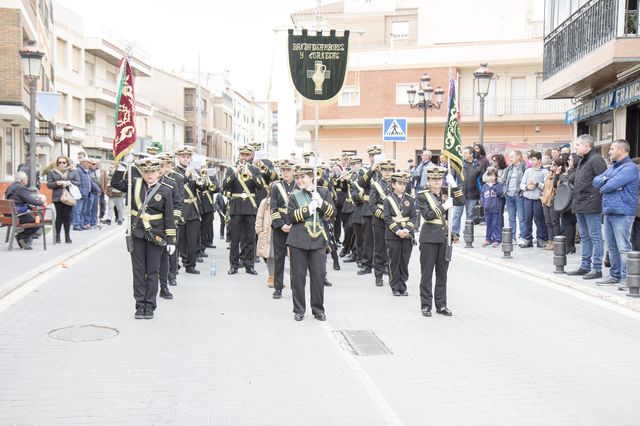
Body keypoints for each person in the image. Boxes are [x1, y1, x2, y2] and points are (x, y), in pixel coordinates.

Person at [111, 157, 176, 320]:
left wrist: (171, 240)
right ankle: (140, 306)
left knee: (153, 271)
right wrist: (123, 166)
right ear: (142, 172)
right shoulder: (135, 185)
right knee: (139, 271)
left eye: (153, 171)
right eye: (146, 172)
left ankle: (150, 305)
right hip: (138, 233)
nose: (149, 175)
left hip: (156, 235)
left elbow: (169, 217)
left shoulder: (166, 189)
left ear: (158, 172)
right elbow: (116, 184)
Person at [286, 164, 335, 321]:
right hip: (298, 241)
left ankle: (318, 309)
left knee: (318, 276)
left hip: (318, 240)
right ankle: (299, 309)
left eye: (303, 177)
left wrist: (321, 204)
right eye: (298, 178)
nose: (299, 180)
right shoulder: (294, 196)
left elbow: (332, 214)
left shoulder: (324, 192)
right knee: (298, 278)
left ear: (311, 177)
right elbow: (291, 217)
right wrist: (308, 209)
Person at [416, 166, 465, 317]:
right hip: (429, 238)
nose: (437, 181)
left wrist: (455, 185)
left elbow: (461, 201)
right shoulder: (422, 196)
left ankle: (441, 305)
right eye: (433, 179)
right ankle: (426, 305)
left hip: (444, 238)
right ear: (429, 180)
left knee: (442, 274)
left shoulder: (447, 191)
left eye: (439, 179)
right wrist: (444, 206)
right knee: (427, 274)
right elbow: (429, 215)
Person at [592, 140, 639, 288]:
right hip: (609, 211)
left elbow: (606, 187)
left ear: (621, 150)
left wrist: (607, 182)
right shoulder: (613, 167)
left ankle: (627, 278)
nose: (609, 151)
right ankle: (615, 275)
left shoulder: (630, 168)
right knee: (611, 247)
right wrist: (607, 181)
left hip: (623, 212)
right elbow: (596, 181)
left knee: (623, 247)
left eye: (612, 149)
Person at [567, 134, 608, 280]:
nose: (575, 147)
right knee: (585, 236)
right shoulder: (583, 160)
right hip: (580, 203)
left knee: (595, 236)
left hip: (591, 204)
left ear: (587, 146)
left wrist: (594, 198)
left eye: (578, 145)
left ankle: (596, 268)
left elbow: (604, 181)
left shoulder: (596, 160)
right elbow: (575, 180)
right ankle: (585, 266)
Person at [223, 145, 263, 275]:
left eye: (247, 155)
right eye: (242, 155)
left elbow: (260, 186)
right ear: (239, 155)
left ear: (251, 156)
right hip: (236, 207)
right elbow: (225, 185)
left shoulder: (255, 170)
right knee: (235, 239)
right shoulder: (231, 169)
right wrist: (235, 173)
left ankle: (249, 265)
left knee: (250, 239)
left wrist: (251, 175)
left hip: (250, 207)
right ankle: (234, 265)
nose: (244, 157)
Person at [383, 172, 416, 297]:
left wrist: (406, 230)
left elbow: (414, 217)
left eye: (404, 184)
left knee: (404, 261)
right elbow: (387, 218)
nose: (402, 186)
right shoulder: (387, 200)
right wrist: (398, 231)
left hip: (407, 234)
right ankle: (395, 286)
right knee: (394, 261)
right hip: (393, 235)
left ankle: (403, 285)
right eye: (399, 184)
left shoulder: (410, 199)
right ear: (393, 184)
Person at [174, 146, 205, 274]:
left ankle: (190, 265)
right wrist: (186, 176)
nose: (185, 159)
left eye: (188, 157)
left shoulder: (194, 171)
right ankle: (174, 265)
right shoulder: (174, 172)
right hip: (180, 210)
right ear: (178, 158)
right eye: (183, 157)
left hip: (193, 210)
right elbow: (176, 187)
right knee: (177, 240)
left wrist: (201, 179)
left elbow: (202, 188)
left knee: (192, 240)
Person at [270, 159, 298, 299]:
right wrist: (281, 224)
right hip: (280, 225)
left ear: (292, 170)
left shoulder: (298, 186)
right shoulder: (276, 187)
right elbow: (273, 209)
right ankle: (278, 287)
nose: (285, 172)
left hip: (295, 224)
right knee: (279, 257)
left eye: (287, 170)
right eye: (283, 170)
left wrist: (294, 223)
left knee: (296, 258)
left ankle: (296, 286)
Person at [369, 159, 395, 287]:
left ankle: (392, 275)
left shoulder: (397, 185)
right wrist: (384, 215)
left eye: (390, 170)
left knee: (392, 249)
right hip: (379, 220)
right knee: (379, 248)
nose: (387, 173)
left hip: (393, 221)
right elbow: (372, 205)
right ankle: (378, 276)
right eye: (385, 170)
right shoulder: (376, 185)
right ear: (381, 170)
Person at [4, 171, 45, 249]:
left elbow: (18, 200)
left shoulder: (10, 187)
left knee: (31, 218)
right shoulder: (21, 188)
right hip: (17, 216)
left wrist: (29, 207)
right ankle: (21, 237)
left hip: (8, 215)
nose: (27, 180)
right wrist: (41, 202)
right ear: (23, 180)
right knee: (38, 222)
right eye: (26, 178)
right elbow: (30, 200)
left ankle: (24, 241)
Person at [451, 146, 482, 241]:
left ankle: (468, 233)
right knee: (456, 214)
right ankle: (455, 234)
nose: (463, 155)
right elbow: (452, 177)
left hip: (473, 194)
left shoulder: (478, 165)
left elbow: (481, 180)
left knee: (470, 215)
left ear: (471, 154)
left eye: (465, 153)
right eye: (463, 153)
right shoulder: (458, 164)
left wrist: (481, 195)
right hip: (459, 194)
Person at [47, 155, 80, 244]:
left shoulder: (73, 171)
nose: (61, 164)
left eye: (64, 162)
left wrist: (69, 182)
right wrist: (57, 183)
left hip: (69, 196)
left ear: (67, 163)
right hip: (58, 197)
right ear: (57, 163)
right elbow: (49, 185)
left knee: (67, 216)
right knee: (59, 216)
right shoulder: (52, 172)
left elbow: (78, 182)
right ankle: (57, 236)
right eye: (59, 162)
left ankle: (67, 236)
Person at [519, 151, 548, 248]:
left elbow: (547, 187)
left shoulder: (545, 172)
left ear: (539, 160)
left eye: (534, 159)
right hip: (527, 198)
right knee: (527, 219)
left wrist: (537, 184)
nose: (532, 161)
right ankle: (527, 239)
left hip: (538, 199)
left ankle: (541, 239)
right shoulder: (528, 171)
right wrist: (527, 187)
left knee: (539, 220)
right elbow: (521, 184)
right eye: (531, 159)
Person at [501, 151, 526, 243]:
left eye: (512, 156)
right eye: (509, 157)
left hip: (519, 196)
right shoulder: (509, 168)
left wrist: (521, 192)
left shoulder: (524, 167)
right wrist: (505, 192)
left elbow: (525, 181)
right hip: (509, 196)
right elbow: (503, 181)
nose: (510, 158)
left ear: (518, 157)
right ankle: (513, 237)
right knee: (511, 217)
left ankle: (522, 237)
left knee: (521, 217)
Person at [541, 158, 564, 250]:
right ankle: (550, 240)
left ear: (559, 167)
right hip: (546, 200)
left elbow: (556, 186)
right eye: (552, 164)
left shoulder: (561, 176)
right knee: (548, 222)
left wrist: (557, 174)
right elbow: (545, 187)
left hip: (554, 201)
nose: (551, 166)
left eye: (554, 165)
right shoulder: (549, 175)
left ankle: (555, 241)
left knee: (555, 222)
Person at [256, 183, 275, 288]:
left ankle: (277, 276)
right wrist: (259, 231)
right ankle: (271, 276)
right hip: (267, 232)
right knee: (270, 256)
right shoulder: (265, 202)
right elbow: (259, 217)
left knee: (277, 255)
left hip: (279, 231)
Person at [480, 167, 503, 247]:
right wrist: (483, 202)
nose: (490, 177)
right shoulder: (484, 186)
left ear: (496, 177)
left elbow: (501, 194)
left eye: (492, 176)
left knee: (496, 224)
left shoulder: (498, 185)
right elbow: (482, 195)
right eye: (489, 176)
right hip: (487, 208)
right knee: (488, 224)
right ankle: (488, 238)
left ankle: (497, 239)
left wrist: (493, 187)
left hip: (496, 208)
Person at [72, 158, 91, 231]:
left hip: (86, 194)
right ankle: (76, 224)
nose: (89, 164)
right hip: (80, 194)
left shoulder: (86, 171)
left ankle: (81, 224)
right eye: (88, 163)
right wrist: (81, 191)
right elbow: (77, 182)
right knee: (77, 210)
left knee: (83, 210)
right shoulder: (78, 170)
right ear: (83, 163)